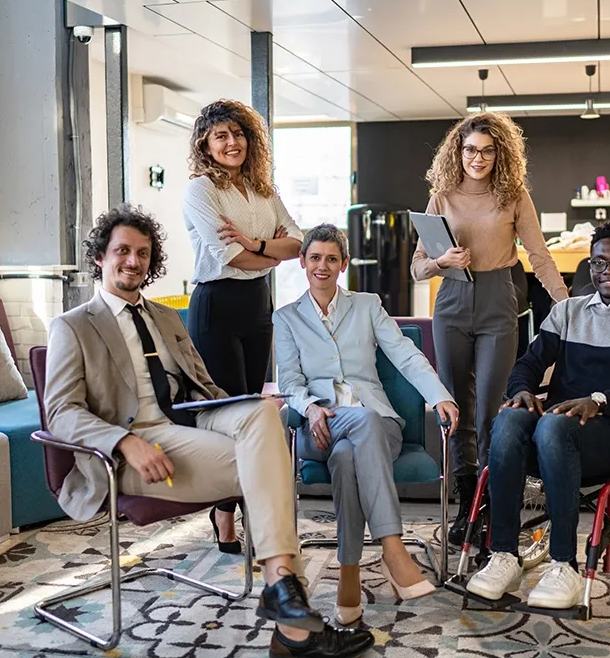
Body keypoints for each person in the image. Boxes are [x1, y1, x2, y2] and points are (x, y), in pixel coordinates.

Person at [44, 205, 373, 657]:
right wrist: (125, 440)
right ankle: (292, 619)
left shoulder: (167, 318)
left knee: (262, 413)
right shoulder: (72, 326)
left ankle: (284, 600)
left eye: (142, 253)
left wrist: (237, 409)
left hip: (190, 421)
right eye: (122, 250)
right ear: (100, 256)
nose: (133, 261)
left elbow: (205, 385)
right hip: (134, 446)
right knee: (268, 465)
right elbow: (60, 411)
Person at [466, 221, 610, 609]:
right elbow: (528, 365)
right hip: (555, 433)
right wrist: (521, 391)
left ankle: (564, 564)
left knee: (552, 424)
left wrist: (599, 401)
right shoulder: (567, 311)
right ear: (590, 265)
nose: (609, 271)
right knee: (509, 419)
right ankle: (503, 554)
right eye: (600, 263)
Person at [274, 224, 460, 626]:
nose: (322, 266)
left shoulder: (366, 305)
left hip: (377, 424)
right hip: (319, 425)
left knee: (348, 455)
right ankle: (392, 548)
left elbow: (406, 355)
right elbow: (289, 382)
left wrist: (438, 394)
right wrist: (309, 408)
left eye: (331, 258)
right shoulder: (286, 318)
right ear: (304, 263)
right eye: (315, 258)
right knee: (353, 432)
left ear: (343, 265)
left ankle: (349, 576)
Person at [411, 111, 569, 547]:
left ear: (500, 153)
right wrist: (442, 262)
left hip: (500, 300)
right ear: (456, 153)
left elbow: (539, 256)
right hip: (452, 303)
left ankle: (492, 503)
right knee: (456, 407)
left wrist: (569, 306)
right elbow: (418, 265)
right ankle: (467, 502)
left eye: (486, 150)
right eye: (469, 150)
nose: (477, 159)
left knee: (491, 412)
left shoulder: (514, 195)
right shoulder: (441, 196)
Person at [182, 99, 303, 553]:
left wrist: (256, 243)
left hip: (257, 306)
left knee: (256, 413)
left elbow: (300, 242)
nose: (232, 143)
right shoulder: (200, 190)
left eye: (239, 134)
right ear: (205, 144)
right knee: (228, 416)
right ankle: (223, 512)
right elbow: (228, 258)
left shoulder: (263, 190)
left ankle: (251, 507)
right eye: (221, 136)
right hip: (216, 305)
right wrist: (267, 255)